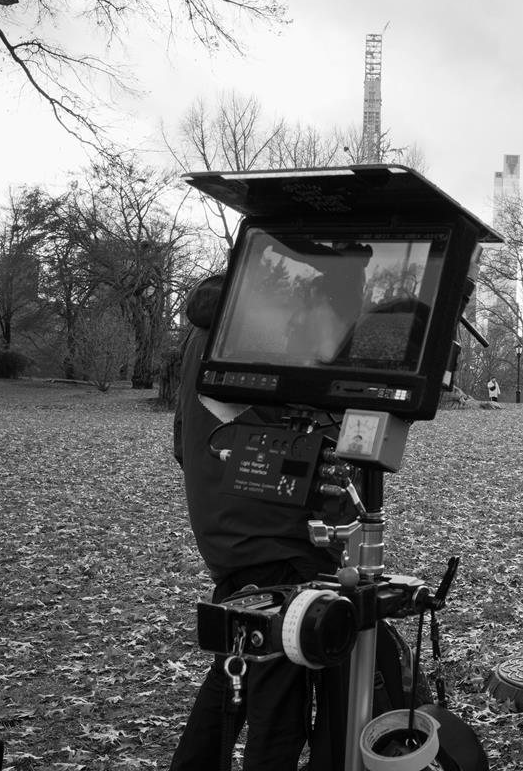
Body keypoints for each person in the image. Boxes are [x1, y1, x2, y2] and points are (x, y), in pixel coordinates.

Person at [169, 274, 347, 771]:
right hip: (279, 543)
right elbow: (316, 425)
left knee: (238, 667)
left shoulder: (202, 342)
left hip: (230, 534)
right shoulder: (250, 343)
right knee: (277, 694)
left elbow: (182, 445)